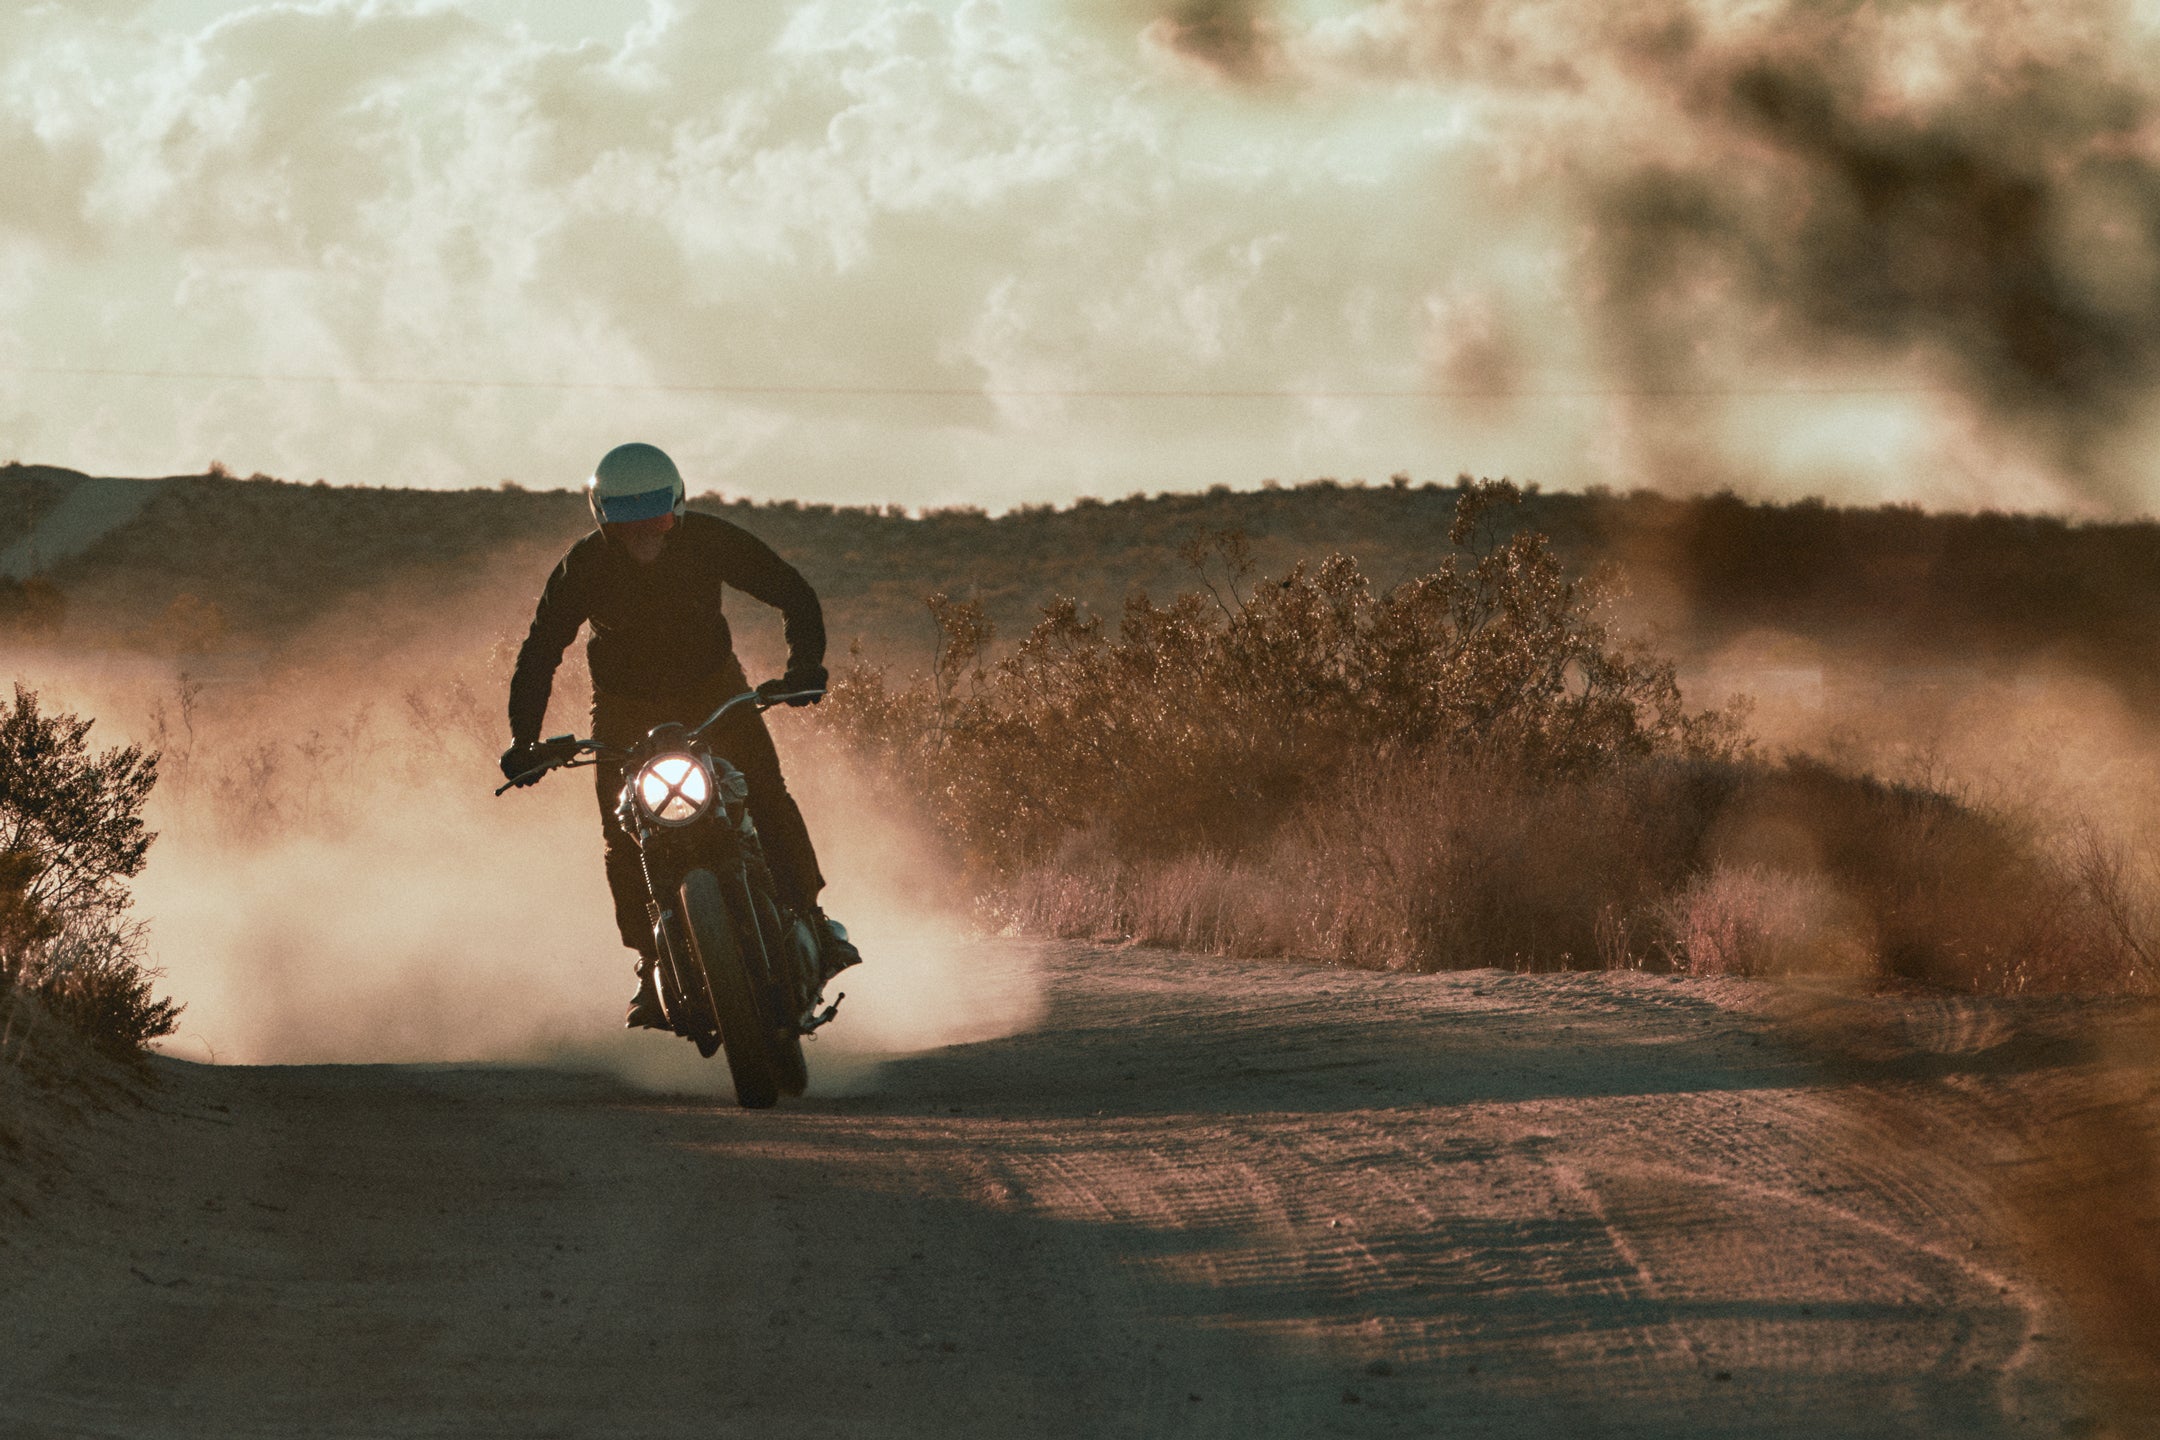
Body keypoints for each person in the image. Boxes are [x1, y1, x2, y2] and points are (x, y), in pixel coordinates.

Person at [499, 442, 860, 1030]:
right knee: (624, 834)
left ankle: (811, 918)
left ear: (678, 510)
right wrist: (524, 742)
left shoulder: (709, 540)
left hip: (714, 689)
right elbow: (540, 653)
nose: (645, 537)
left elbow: (791, 590)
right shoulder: (582, 567)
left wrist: (805, 671)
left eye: (658, 522)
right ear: (603, 521)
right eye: (628, 527)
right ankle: (650, 960)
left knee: (766, 794)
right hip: (623, 707)